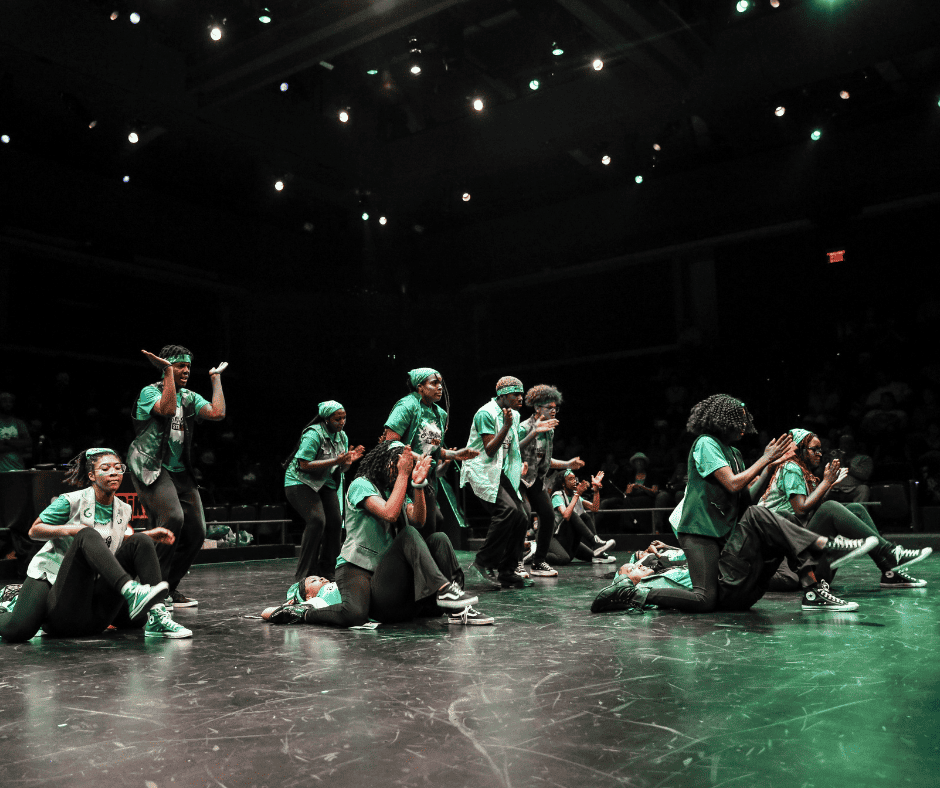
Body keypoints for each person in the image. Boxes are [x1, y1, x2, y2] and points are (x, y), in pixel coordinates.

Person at [614, 394, 808, 613]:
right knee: (704, 598)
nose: (744, 425)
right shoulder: (706, 443)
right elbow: (733, 484)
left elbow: (746, 498)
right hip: (699, 531)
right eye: (739, 420)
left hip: (722, 533)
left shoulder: (734, 453)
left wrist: (770, 467)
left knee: (718, 597)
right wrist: (764, 459)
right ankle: (632, 593)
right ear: (723, 422)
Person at [268, 442, 490, 627]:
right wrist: (404, 475)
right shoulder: (360, 485)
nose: (402, 468)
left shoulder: (395, 488)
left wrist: (418, 485)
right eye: (398, 464)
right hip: (363, 574)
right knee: (408, 536)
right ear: (384, 463)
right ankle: (443, 589)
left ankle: (458, 609)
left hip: (393, 583)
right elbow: (390, 513)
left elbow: (419, 519)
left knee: (438, 539)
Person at [0, 448, 191, 642]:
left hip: (93, 595)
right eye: (105, 468)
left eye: (118, 467)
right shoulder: (70, 501)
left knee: (140, 541)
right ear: (91, 475)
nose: (114, 472)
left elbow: (108, 541)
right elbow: (34, 531)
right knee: (16, 631)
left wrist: (149, 534)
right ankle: (130, 590)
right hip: (58, 582)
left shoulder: (124, 509)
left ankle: (156, 614)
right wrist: (70, 530)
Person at [591, 510, 876, 614]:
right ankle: (824, 548)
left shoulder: (663, 571)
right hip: (727, 586)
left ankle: (813, 588)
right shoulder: (652, 587)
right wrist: (633, 587)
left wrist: (649, 560)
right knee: (755, 515)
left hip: (741, 589)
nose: (638, 565)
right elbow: (700, 597)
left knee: (777, 526)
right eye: (633, 569)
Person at [759, 428, 931, 589]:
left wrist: (828, 485)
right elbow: (801, 510)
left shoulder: (806, 474)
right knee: (831, 507)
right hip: (787, 554)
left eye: (820, 450)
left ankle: (888, 570)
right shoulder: (791, 468)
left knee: (856, 508)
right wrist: (826, 483)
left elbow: (813, 511)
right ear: (801, 449)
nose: (820, 453)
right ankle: (890, 553)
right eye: (814, 449)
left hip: (800, 546)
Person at [127, 346, 227, 608]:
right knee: (173, 517)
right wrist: (167, 373)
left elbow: (217, 413)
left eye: (187, 367)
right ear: (165, 367)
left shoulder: (190, 397)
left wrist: (215, 379)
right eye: (178, 366)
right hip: (151, 466)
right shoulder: (150, 392)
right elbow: (168, 409)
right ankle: (152, 588)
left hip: (181, 471)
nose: (185, 371)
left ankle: (168, 587)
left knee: (196, 531)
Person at [382, 368, 479, 538]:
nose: (440, 387)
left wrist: (454, 455)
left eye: (440, 383)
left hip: (428, 476)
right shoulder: (407, 406)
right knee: (424, 524)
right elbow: (389, 442)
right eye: (434, 383)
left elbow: (432, 450)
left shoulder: (439, 413)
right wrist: (415, 457)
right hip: (405, 474)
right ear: (420, 387)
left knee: (434, 522)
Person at [461, 376, 532, 589]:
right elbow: (490, 450)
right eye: (515, 394)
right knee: (508, 510)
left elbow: (512, 447)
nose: (520, 397)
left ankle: (507, 571)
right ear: (502, 395)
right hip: (481, 469)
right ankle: (482, 563)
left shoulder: (515, 415)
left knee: (523, 515)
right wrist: (506, 426)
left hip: (499, 470)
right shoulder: (486, 414)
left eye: (521, 393)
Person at [284, 401, 365, 581]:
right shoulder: (313, 434)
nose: (342, 422)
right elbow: (303, 464)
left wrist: (347, 462)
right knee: (316, 520)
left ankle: (328, 571)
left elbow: (340, 469)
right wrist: (336, 461)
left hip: (324, 481)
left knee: (335, 522)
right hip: (299, 481)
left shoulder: (342, 437)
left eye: (344, 418)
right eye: (337, 419)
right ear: (326, 419)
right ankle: (305, 574)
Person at [517, 385, 586, 577]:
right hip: (519, 478)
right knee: (522, 516)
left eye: (555, 407)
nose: (553, 410)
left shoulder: (550, 431)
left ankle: (539, 562)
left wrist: (567, 463)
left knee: (547, 515)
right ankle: (516, 562)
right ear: (537, 408)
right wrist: (534, 433)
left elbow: (544, 459)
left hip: (536, 479)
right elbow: (513, 453)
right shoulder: (523, 428)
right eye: (549, 407)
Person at [547, 470, 616, 565]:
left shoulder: (576, 497)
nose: (574, 480)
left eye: (574, 478)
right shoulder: (558, 496)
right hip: (554, 537)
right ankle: (536, 553)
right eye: (570, 479)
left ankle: (596, 546)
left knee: (584, 516)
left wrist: (596, 490)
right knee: (563, 558)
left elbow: (594, 508)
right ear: (563, 483)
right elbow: (566, 516)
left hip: (569, 537)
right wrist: (577, 494)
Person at [0, 391, 31, 471]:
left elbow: (27, 442)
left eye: (10, 402)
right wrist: (16, 445)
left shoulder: (19, 423)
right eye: (4, 401)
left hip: (18, 468)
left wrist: (6, 441)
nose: (8, 404)